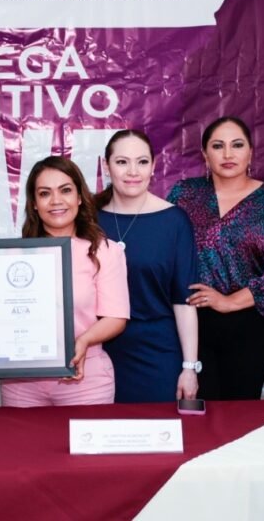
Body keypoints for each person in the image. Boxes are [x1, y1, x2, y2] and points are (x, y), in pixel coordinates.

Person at [167, 116, 264, 400]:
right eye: (218, 146)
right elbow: (167, 253)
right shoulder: (184, 195)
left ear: (250, 152)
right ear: (205, 154)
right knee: (195, 410)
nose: (228, 154)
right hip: (191, 323)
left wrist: (229, 302)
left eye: (237, 145)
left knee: (240, 412)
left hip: (248, 325)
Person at [0, 156, 130, 406]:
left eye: (66, 190)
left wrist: (84, 340)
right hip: (21, 383)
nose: (56, 200)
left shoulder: (105, 251)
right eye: (44, 193)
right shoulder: (12, 256)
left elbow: (116, 318)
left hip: (85, 380)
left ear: (80, 197)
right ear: (34, 204)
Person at [95, 129, 200, 403]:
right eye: (122, 162)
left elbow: (184, 301)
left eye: (142, 162)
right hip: (96, 352)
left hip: (158, 354)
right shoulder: (89, 220)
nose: (133, 171)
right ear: (106, 166)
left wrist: (190, 367)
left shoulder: (174, 221)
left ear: (153, 166)